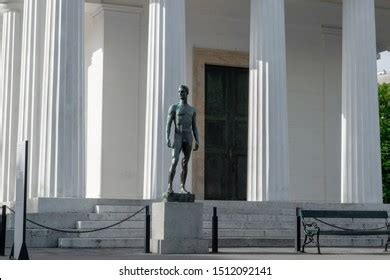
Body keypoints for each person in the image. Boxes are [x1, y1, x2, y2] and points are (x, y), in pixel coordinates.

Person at [166, 85, 199, 194]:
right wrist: (167, 138)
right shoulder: (174, 108)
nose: (181, 93)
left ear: (187, 93)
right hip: (178, 135)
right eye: (179, 92)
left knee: (185, 163)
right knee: (174, 160)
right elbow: (168, 124)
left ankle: (182, 187)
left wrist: (197, 140)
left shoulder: (192, 110)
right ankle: (169, 186)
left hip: (188, 136)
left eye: (183, 92)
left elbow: (194, 126)